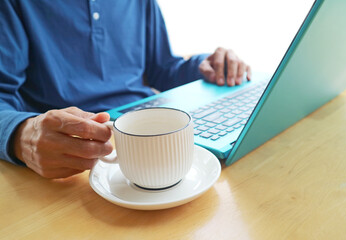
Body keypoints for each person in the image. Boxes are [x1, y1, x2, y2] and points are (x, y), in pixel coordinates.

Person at [0, 0, 251, 179]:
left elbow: (161, 68)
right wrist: (20, 135)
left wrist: (206, 66)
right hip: (71, 155)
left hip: (152, 129)